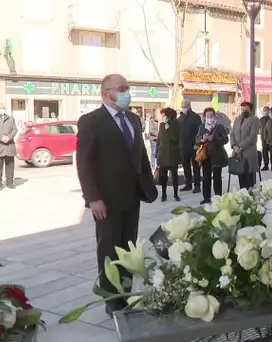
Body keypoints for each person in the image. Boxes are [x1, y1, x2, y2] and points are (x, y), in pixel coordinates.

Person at [76, 74, 157, 318]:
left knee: (128, 247)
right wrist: (93, 198)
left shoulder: (133, 118)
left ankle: (127, 292)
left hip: (131, 196)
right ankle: (112, 298)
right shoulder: (92, 121)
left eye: (127, 88)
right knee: (109, 249)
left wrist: (149, 183)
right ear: (105, 93)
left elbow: (140, 154)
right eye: (121, 89)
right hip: (106, 200)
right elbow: (84, 163)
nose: (126, 93)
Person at [195, 108, 229, 204]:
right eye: (207, 116)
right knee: (206, 177)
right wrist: (202, 139)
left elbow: (225, 139)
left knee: (217, 177)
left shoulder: (220, 127)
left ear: (214, 116)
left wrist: (213, 138)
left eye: (211, 116)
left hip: (217, 155)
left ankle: (218, 197)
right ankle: (206, 197)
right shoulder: (202, 127)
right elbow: (197, 138)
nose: (209, 118)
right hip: (205, 156)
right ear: (204, 117)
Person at [230, 101, 260, 189]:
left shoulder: (254, 119)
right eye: (242, 108)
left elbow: (253, 137)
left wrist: (240, 146)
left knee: (249, 177)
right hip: (238, 153)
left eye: (245, 108)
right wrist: (234, 145)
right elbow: (232, 134)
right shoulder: (237, 119)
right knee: (241, 176)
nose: (243, 110)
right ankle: (242, 195)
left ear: (250, 109)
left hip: (248, 152)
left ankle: (250, 196)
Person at [156, 108, 181, 202]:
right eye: (162, 116)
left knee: (174, 175)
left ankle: (176, 194)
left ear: (169, 116)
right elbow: (159, 139)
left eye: (164, 115)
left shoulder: (176, 125)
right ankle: (163, 194)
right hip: (162, 154)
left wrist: (169, 128)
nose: (162, 117)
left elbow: (176, 139)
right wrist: (156, 153)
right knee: (163, 176)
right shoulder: (162, 125)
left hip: (173, 154)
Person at [178, 99, 203, 193]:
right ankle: (188, 184)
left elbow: (199, 132)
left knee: (195, 166)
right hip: (183, 147)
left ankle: (197, 185)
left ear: (189, 106)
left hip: (193, 147)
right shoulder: (180, 118)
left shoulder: (195, 117)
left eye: (185, 106)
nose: (183, 108)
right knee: (186, 166)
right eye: (182, 106)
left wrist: (197, 144)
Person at [0, 103, 17, 190]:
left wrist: (9, 137)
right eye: (0, 108)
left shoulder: (11, 118)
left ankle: (10, 183)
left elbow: (15, 129)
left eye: (3, 108)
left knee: (10, 166)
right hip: (0, 146)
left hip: (9, 146)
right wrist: (1, 138)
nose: (1, 110)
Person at [259, 106, 271, 171]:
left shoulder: (271, 119)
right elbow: (259, 127)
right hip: (263, 138)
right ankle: (266, 165)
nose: (265, 112)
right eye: (264, 110)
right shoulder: (261, 119)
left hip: (271, 138)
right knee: (265, 152)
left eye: (266, 110)